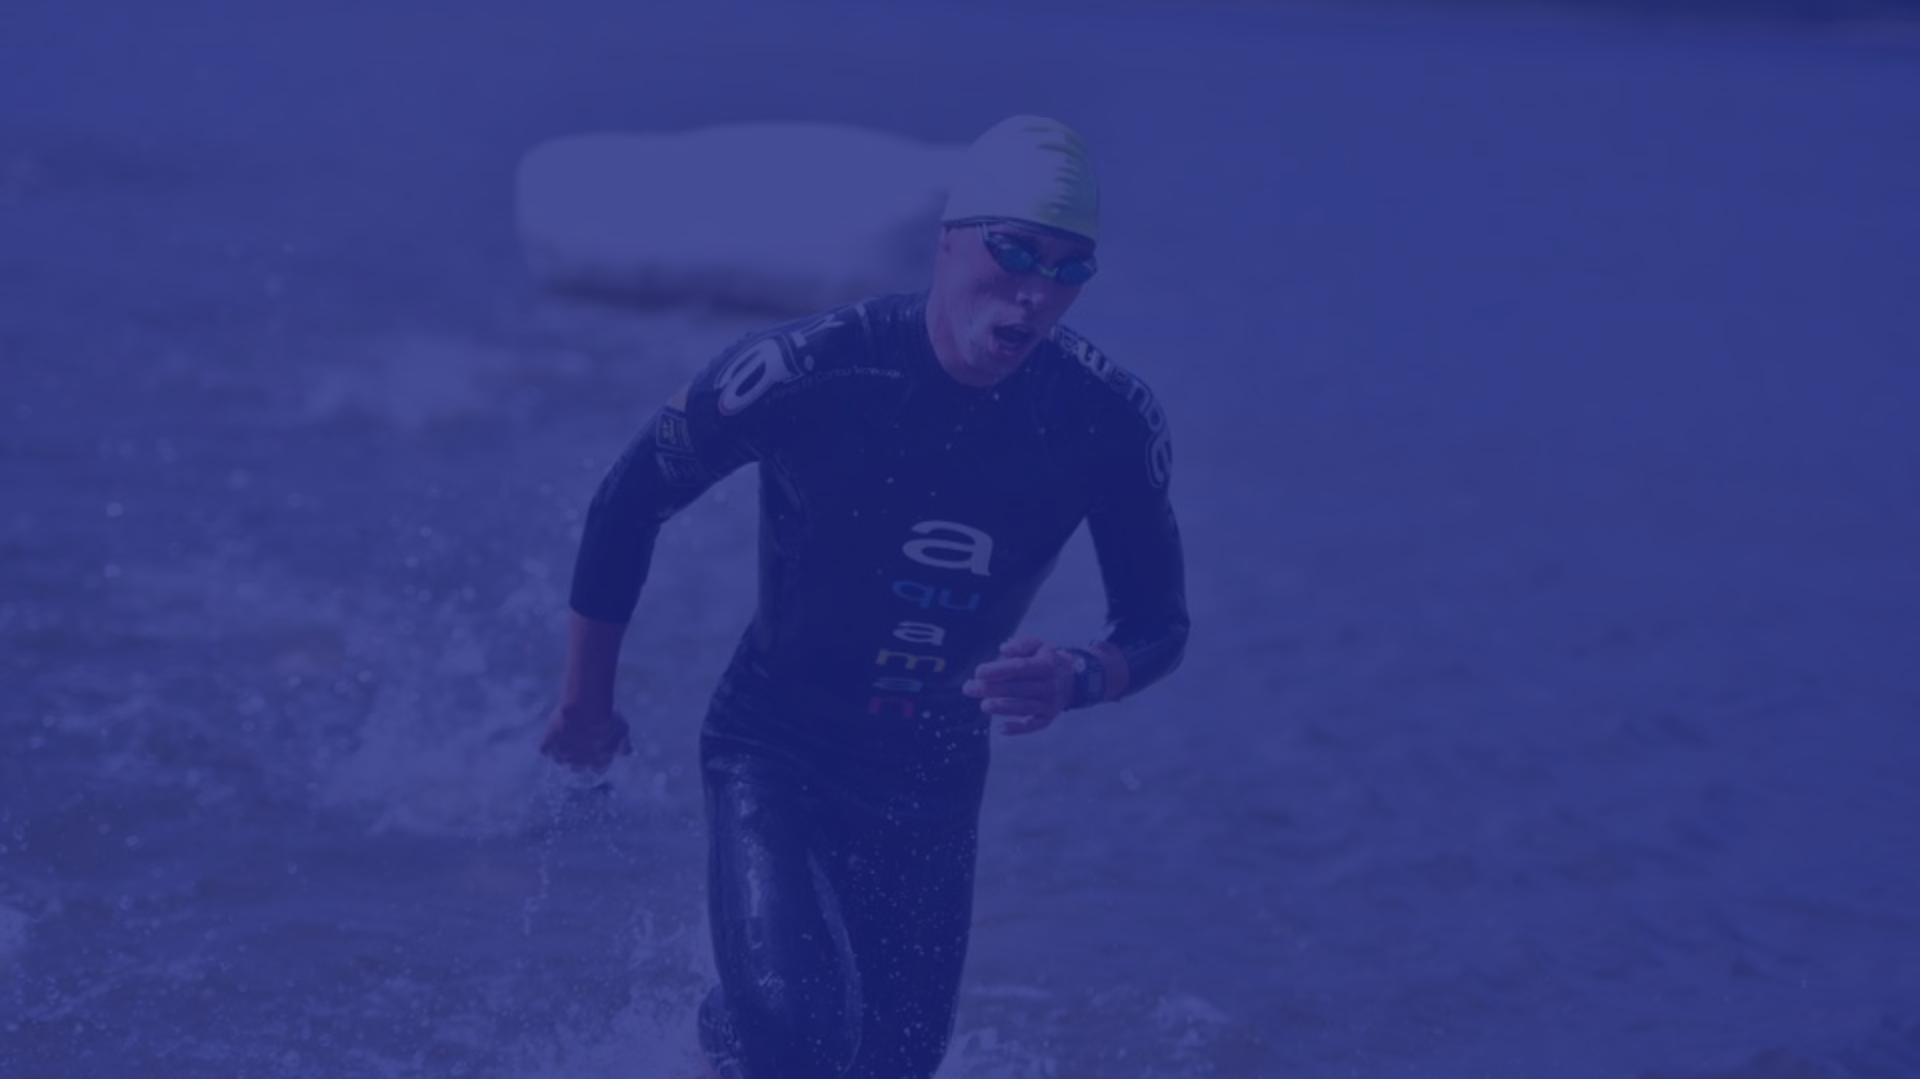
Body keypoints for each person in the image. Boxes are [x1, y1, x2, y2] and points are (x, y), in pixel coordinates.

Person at [539, 114, 1189, 1079]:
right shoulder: (814, 368)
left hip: (933, 778)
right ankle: (721, 1041)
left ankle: (730, 1036)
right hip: (778, 745)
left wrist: (1079, 676)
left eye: (1068, 268)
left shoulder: (1105, 421)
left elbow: (1159, 620)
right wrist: (585, 702)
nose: (1034, 291)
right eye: (1014, 251)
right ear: (949, 239)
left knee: (892, 1065)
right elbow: (631, 498)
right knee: (802, 1042)